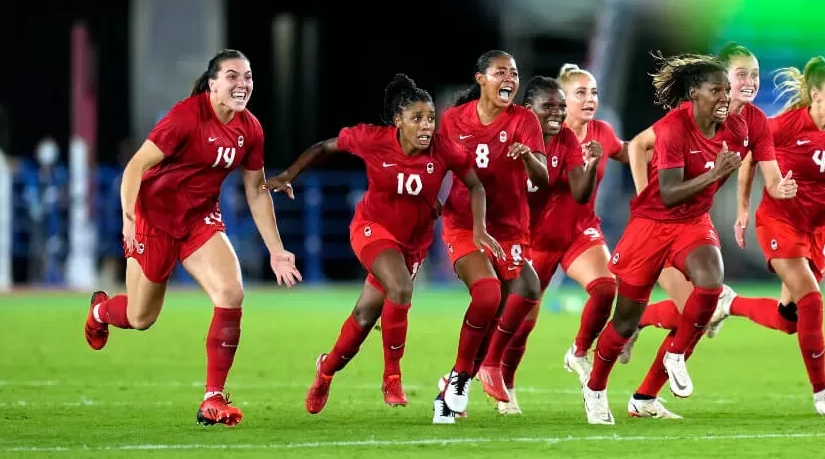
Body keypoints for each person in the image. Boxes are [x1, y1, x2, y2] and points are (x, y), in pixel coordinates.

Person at [82, 49, 302, 427]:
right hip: (155, 218)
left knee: (232, 293)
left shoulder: (250, 129)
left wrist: (277, 250)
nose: (242, 84)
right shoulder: (187, 115)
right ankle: (100, 311)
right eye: (232, 76)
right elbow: (136, 165)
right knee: (140, 317)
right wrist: (129, 217)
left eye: (247, 77)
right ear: (213, 83)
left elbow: (256, 190)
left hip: (199, 220)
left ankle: (212, 399)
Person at [263, 74, 498, 415]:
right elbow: (326, 146)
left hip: (412, 244)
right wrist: (288, 175)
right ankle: (392, 376)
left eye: (431, 118)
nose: (426, 126)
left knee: (363, 314)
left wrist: (479, 228)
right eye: (417, 118)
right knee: (400, 289)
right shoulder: (372, 139)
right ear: (397, 121)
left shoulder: (444, 149)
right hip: (371, 229)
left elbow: (476, 185)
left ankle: (325, 370)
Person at [580, 53, 747, 425]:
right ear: (694, 93)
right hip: (652, 224)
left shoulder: (733, 128)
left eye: (727, 90)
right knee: (625, 320)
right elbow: (670, 192)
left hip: (691, 223)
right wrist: (716, 173)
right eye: (715, 90)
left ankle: (676, 353)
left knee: (711, 282)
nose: (724, 97)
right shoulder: (674, 128)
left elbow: (759, 145)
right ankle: (594, 388)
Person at [619, 42, 795, 362]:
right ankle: (636, 341)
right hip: (658, 226)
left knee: (699, 314)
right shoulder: (686, 119)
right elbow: (637, 147)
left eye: (755, 75)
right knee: (697, 314)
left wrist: (776, 191)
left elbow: (765, 174)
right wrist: (648, 202)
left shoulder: (753, 122)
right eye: (741, 74)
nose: (750, 82)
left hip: (691, 226)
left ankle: (640, 346)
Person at [723, 56, 825, 415]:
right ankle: (822, 394)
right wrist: (744, 210)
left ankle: (728, 303)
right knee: (812, 300)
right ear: (816, 95)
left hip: (819, 229)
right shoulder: (784, 125)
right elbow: (748, 159)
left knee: (788, 320)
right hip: (779, 221)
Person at [497, 65, 629, 414]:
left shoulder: (601, 132)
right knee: (522, 323)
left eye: (594, 92)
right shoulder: (537, 135)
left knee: (605, 287)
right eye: (580, 93)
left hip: (579, 231)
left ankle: (579, 351)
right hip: (536, 239)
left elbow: (630, 151)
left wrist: (663, 151)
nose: (590, 100)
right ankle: (505, 387)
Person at [434, 50, 549, 424]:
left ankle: (459, 378)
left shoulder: (525, 120)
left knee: (526, 291)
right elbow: (433, 165)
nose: (510, 79)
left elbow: (543, 177)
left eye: (514, 73)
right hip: (464, 224)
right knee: (488, 294)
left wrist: (528, 158)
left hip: (509, 228)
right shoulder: (453, 121)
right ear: (481, 78)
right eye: (501, 72)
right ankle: (473, 375)